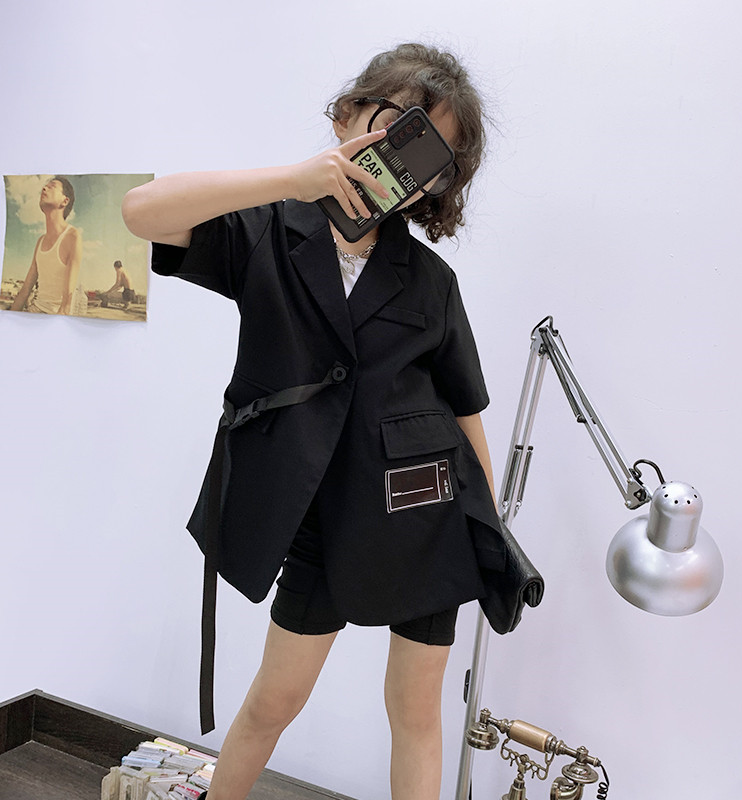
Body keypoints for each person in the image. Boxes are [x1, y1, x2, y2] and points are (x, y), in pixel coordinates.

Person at [123, 43, 502, 800]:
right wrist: (295, 179)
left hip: (426, 515)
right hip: (318, 518)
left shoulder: (431, 280)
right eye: (401, 126)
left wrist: (488, 531)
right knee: (273, 703)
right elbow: (141, 211)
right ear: (347, 116)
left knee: (415, 714)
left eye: (434, 154)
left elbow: (464, 411)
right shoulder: (267, 231)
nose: (408, 160)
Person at [10, 176, 82, 314]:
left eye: (52, 186)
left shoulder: (73, 236)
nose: (44, 188)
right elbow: (25, 290)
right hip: (34, 310)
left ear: (65, 201)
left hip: (54, 316)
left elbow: (67, 303)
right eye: (45, 186)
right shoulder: (40, 241)